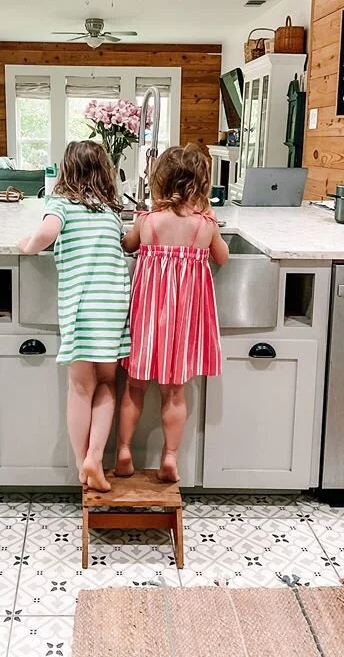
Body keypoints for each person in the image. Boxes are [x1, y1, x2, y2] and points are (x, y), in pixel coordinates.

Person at [18, 140, 130, 492]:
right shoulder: (111, 212)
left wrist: (26, 244)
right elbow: (126, 244)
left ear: (66, 171)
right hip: (113, 306)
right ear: (105, 173)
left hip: (81, 306)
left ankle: (84, 466)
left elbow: (45, 235)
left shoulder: (61, 204)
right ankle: (96, 457)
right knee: (108, 382)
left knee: (81, 386)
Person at [116, 144, 229, 483]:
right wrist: (211, 222)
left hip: (148, 320)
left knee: (134, 389)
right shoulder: (205, 226)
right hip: (183, 325)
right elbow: (222, 257)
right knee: (174, 392)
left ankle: (123, 450)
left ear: (159, 182)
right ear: (201, 184)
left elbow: (128, 245)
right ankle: (170, 458)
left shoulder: (148, 221)